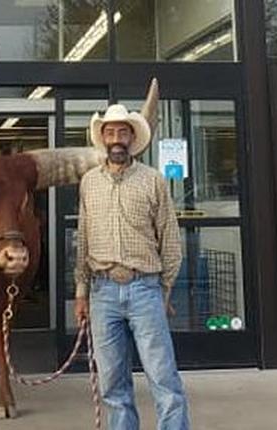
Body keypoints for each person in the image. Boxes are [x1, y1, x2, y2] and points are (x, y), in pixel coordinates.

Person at [73, 103, 190, 429]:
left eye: (123, 132)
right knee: (112, 382)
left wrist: (164, 289)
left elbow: (169, 240)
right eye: (110, 132)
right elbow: (82, 240)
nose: (116, 138)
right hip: (102, 291)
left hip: (145, 288)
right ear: (103, 138)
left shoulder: (153, 181)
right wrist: (81, 292)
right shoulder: (88, 183)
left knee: (163, 377)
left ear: (132, 137)